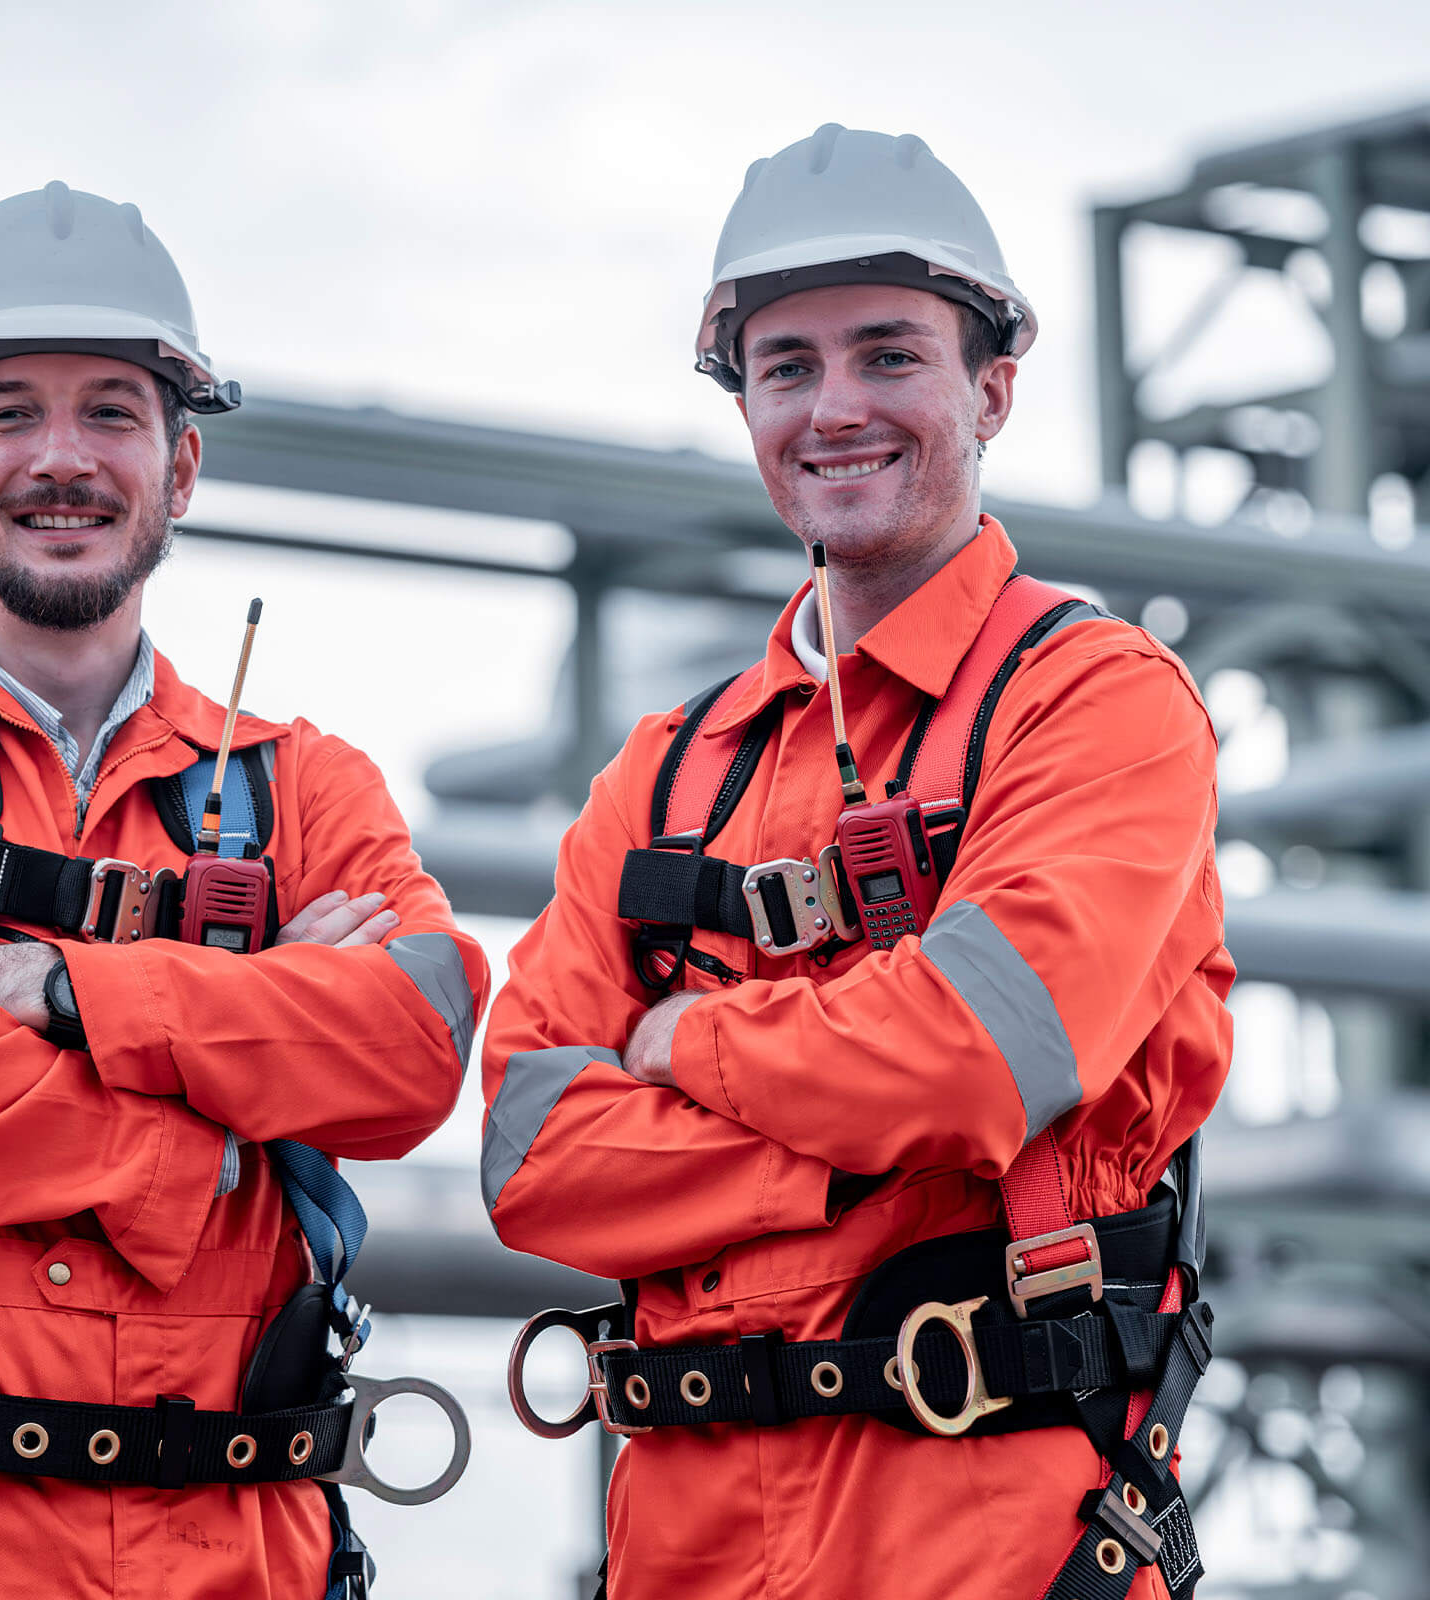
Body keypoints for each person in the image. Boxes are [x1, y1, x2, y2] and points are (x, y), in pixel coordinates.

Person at [0, 182, 487, 1600]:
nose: (61, 458)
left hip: (242, 1561)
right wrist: (223, 1130)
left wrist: (67, 989)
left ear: (180, 468)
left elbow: (419, 1042)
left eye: (111, 413)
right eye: (9, 412)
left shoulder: (303, 784)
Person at [484, 126, 1231, 1598]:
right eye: (788, 368)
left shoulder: (1100, 701)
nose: (835, 409)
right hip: (682, 1559)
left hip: (1004, 1553)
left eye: (889, 356)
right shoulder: (664, 772)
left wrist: (684, 1037)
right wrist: (875, 1160)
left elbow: (969, 1061)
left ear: (991, 388)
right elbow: (527, 1154)